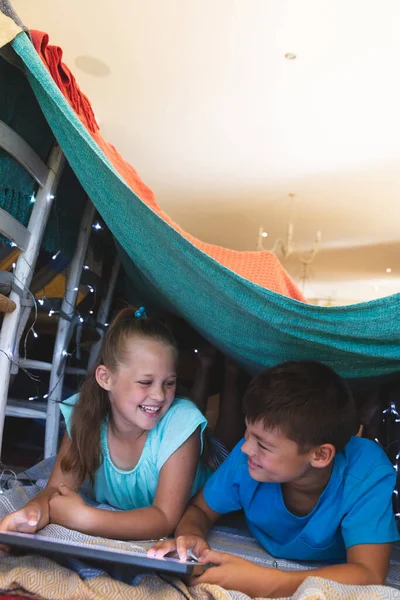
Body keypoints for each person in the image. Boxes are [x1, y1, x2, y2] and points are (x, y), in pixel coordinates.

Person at [149, 361, 400, 597]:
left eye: (264, 445)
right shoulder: (248, 458)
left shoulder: (366, 472)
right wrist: (192, 535)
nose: (246, 448)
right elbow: (200, 509)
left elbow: (368, 573)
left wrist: (266, 582)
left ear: (320, 455)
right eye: (248, 432)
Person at [0, 307, 209, 540]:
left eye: (169, 383)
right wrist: (32, 514)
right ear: (105, 378)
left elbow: (164, 518)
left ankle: (218, 374)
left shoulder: (181, 423)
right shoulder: (86, 413)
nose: (159, 395)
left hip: (212, 464)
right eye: (145, 382)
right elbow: (56, 490)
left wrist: (85, 518)